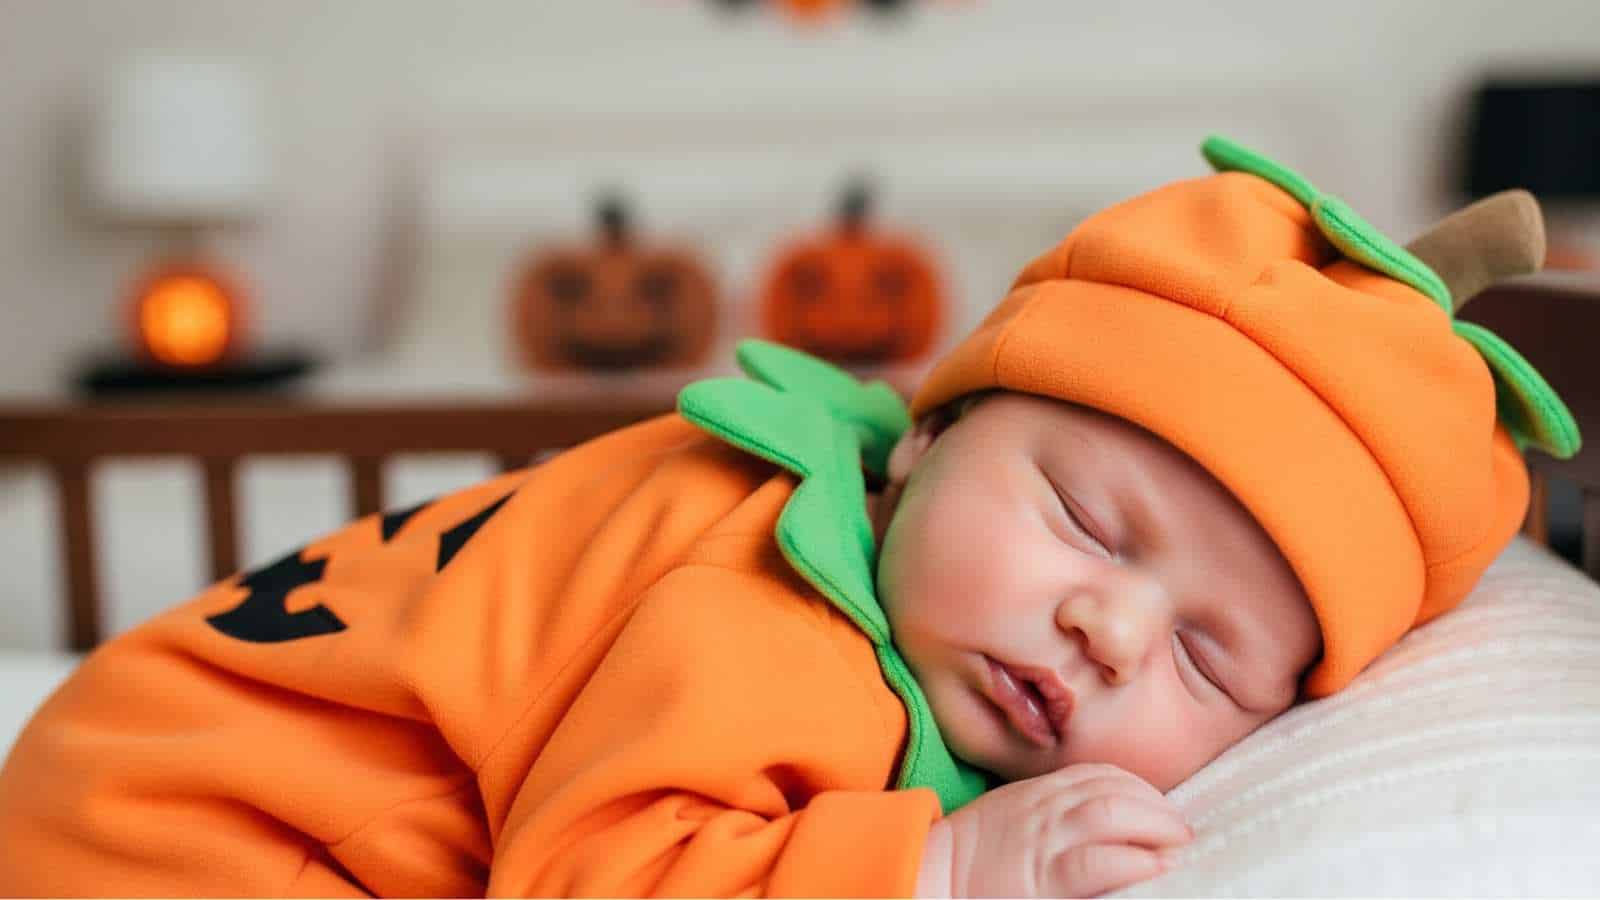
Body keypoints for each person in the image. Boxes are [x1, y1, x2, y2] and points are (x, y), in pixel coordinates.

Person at [0, 136, 1577, 898]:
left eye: (1214, 665)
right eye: (1093, 527)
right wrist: (935, 872)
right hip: (177, 840)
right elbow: (592, 875)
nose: (1112, 629)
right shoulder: (764, 604)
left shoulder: (906, 581)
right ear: (927, 438)